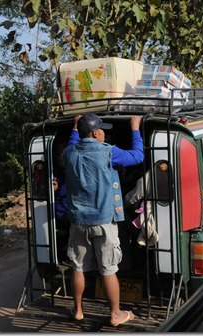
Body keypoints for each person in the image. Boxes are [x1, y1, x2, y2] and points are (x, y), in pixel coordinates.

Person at [62, 113, 143, 327]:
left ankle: (78, 310)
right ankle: (115, 314)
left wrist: (74, 128)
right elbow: (137, 157)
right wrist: (135, 128)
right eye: (102, 129)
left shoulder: (69, 153)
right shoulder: (108, 152)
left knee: (78, 266)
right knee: (109, 269)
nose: (104, 132)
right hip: (104, 220)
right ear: (96, 132)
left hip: (78, 221)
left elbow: (72, 143)